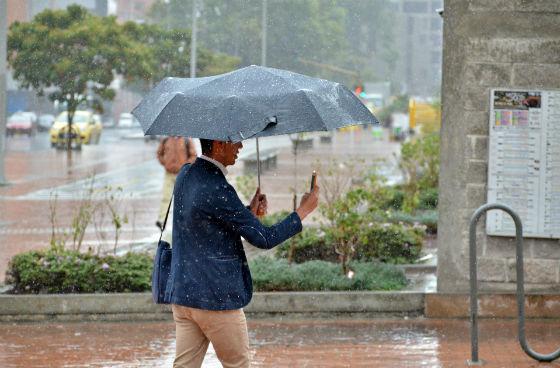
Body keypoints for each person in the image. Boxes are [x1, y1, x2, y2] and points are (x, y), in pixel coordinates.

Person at [166, 138, 319, 368]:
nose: (240, 147)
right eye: (235, 142)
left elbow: (203, 220)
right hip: (215, 299)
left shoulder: (186, 174)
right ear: (218, 144)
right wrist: (302, 211)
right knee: (238, 365)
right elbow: (264, 238)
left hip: (184, 295)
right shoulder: (217, 187)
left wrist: (247, 214)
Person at [156, 136, 199, 235]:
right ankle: (162, 221)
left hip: (182, 174)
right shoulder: (166, 140)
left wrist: (185, 165)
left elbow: (193, 155)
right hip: (169, 174)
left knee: (183, 199)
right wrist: (165, 163)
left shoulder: (186, 140)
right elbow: (159, 154)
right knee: (166, 197)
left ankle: (184, 221)